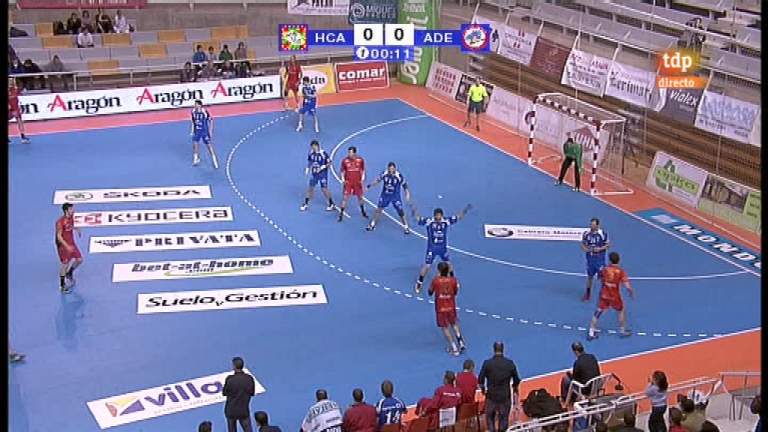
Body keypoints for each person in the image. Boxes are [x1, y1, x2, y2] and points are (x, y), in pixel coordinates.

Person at [412, 206, 470, 294]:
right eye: (437, 216)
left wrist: (464, 211)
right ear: (434, 215)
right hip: (432, 249)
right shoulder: (429, 222)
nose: (438, 217)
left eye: (439, 216)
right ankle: (419, 283)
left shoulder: (445, 221)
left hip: (442, 249)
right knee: (427, 266)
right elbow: (418, 219)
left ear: (442, 215)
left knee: (449, 264)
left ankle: (453, 280)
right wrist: (415, 212)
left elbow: (458, 217)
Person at [587, 251, 634, 340]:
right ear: (618, 260)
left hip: (604, 294)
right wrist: (630, 292)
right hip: (615, 296)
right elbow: (627, 284)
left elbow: (599, 277)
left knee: (598, 312)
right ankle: (623, 331)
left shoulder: (604, 269)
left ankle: (591, 332)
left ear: (610, 260)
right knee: (621, 310)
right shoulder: (621, 271)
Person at [478, 341, 521, 432]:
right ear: (503, 349)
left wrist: (483, 390)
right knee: (504, 419)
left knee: (490, 418)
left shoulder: (487, 363)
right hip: (505, 397)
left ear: (494, 349)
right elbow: (517, 379)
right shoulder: (509, 363)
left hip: (491, 397)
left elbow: (480, 380)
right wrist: (515, 388)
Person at [429, 262, 466, 356]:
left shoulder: (436, 281)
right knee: (454, 324)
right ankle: (461, 342)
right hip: (451, 306)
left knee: (444, 327)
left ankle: (454, 348)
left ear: (439, 270)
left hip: (441, 308)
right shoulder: (453, 280)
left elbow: (430, 292)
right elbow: (455, 292)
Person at [365, 162, 411, 234]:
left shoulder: (399, 176)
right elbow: (377, 180)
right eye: (390, 169)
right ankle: (372, 224)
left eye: (392, 169)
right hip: (385, 195)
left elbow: (405, 186)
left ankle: (406, 226)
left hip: (395, 196)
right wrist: (369, 185)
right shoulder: (385, 173)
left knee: (400, 211)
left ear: (395, 168)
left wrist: (407, 194)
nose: (391, 171)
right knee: (378, 209)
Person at [300, 140, 335, 212]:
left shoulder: (323, 153)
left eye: (314, 147)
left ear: (317, 146)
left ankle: (331, 203)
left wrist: (323, 167)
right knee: (310, 188)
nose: (313, 148)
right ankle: (306, 203)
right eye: (312, 147)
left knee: (324, 189)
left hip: (322, 174)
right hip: (314, 173)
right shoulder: (311, 153)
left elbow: (329, 163)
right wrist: (308, 168)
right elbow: (310, 161)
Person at [223, 357, 256, 432]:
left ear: (234, 366)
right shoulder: (249, 378)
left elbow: (224, 393)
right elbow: (252, 393)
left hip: (231, 411)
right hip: (244, 410)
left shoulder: (230, 379)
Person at [56, 203, 83, 293]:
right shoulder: (60, 222)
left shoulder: (71, 217)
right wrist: (66, 246)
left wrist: (76, 228)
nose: (73, 210)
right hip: (63, 246)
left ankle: (69, 273)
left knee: (79, 260)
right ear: (66, 211)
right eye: (71, 209)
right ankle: (62, 285)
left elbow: (70, 226)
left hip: (72, 243)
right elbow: (59, 236)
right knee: (65, 264)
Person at [581, 217, 610, 302]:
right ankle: (587, 293)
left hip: (599, 259)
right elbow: (583, 244)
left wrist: (600, 249)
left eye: (593, 225)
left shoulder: (602, 234)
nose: (591, 226)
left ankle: (605, 294)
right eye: (591, 224)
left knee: (603, 277)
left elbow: (608, 245)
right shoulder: (586, 234)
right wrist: (584, 248)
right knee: (590, 277)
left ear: (598, 225)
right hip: (590, 259)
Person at [337, 146, 366, 222]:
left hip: (357, 182)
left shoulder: (360, 160)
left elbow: (363, 170)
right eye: (348, 152)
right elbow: (342, 171)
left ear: (354, 153)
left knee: (360, 197)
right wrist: (343, 180)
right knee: (345, 198)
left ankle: (363, 212)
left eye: (350, 152)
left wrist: (362, 179)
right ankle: (341, 214)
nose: (349, 154)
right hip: (348, 182)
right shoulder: (345, 160)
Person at [190, 99, 219, 169]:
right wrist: (192, 130)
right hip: (197, 131)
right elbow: (193, 122)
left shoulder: (204, 112)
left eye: (196, 104)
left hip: (204, 131)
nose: (194, 105)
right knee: (195, 144)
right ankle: (196, 158)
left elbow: (211, 120)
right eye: (194, 104)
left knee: (208, 145)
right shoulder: (193, 112)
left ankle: (214, 160)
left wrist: (210, 131)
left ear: (200, 105)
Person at [8, 78, 31, 144]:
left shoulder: (15, 89)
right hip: (9, 108)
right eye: (10, 81)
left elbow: (21, 93)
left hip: (16, 108)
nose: (11, 82)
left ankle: (23, 137)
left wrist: (23, 90)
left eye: (12, 81)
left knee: (20, 121)